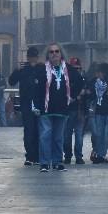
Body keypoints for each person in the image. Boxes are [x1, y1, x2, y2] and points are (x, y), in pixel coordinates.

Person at [32, 43, 83, 171]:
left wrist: (73, 96)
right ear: (48, 55)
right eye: (51, 52)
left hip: (62, 109)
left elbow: (80, 82)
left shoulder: (69, 69)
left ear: (61, 53)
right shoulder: (42, 69)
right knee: (45, 135)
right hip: (45, 108)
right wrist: (36, 106)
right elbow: (36, 88)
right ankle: (44, 163)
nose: (54, 54)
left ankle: (57, 162)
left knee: (58, 136)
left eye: (57, 51)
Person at [9, 47, 42, 166]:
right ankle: (30, 156)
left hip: (39, 104)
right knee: (29, 130)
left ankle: (37, 156)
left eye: (35, 57)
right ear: (28, 58)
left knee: (38, 130)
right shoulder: (22, 70)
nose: (33, 59)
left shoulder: (41, 69)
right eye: (31, 57)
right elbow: (11, 81)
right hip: (26, 104)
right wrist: (16, 71)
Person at [87, 62, 108, 163]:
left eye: (100, 72)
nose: (98, 74)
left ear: (104, 73)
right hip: (99, 112)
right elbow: (89, 92)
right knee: (99, 134)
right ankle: (100, 155)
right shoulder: (94, 82)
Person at [62, 56, 87, 164]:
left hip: (78, 110)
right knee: (69, 134)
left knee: (77, 134)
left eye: (78, 68)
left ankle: (76, 156)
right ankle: (71, 156)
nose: (77, 70)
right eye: (75, 68)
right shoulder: (77, 80)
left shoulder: (80, 80)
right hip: (71, 110)